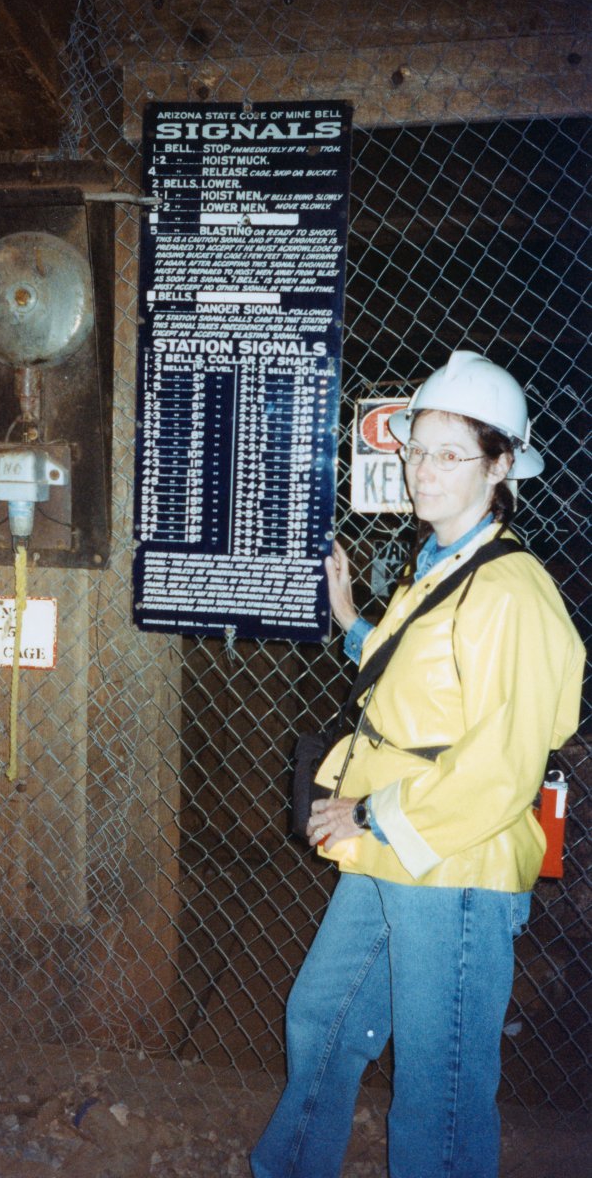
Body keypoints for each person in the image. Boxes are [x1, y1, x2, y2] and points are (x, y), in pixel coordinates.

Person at [251, 350, 584, 1178]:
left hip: (452, 861)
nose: (419, 470)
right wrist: (351, 622)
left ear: (501, 464)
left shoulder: (511, 592)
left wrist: (363, 812)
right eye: (413, 449)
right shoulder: (439, 563)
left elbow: (499, 767)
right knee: (322, 1017)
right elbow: (421, 678)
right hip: (395, 848)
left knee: (437, 1085)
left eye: (447, 454)